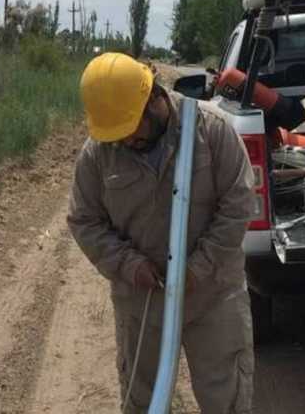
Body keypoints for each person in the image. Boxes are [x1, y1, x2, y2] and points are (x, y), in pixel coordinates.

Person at [67, 52, 256, 414]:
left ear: (154, 99)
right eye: (117, 134)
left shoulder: (212, 131)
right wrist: (128, 265)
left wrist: (197, 268)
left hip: (214, 296)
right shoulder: (98, 154)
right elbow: (84, 220)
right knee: (143, 403)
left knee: (227, 401)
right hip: (142, 302)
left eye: (130, 129)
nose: (125, 141)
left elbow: (238, 206)